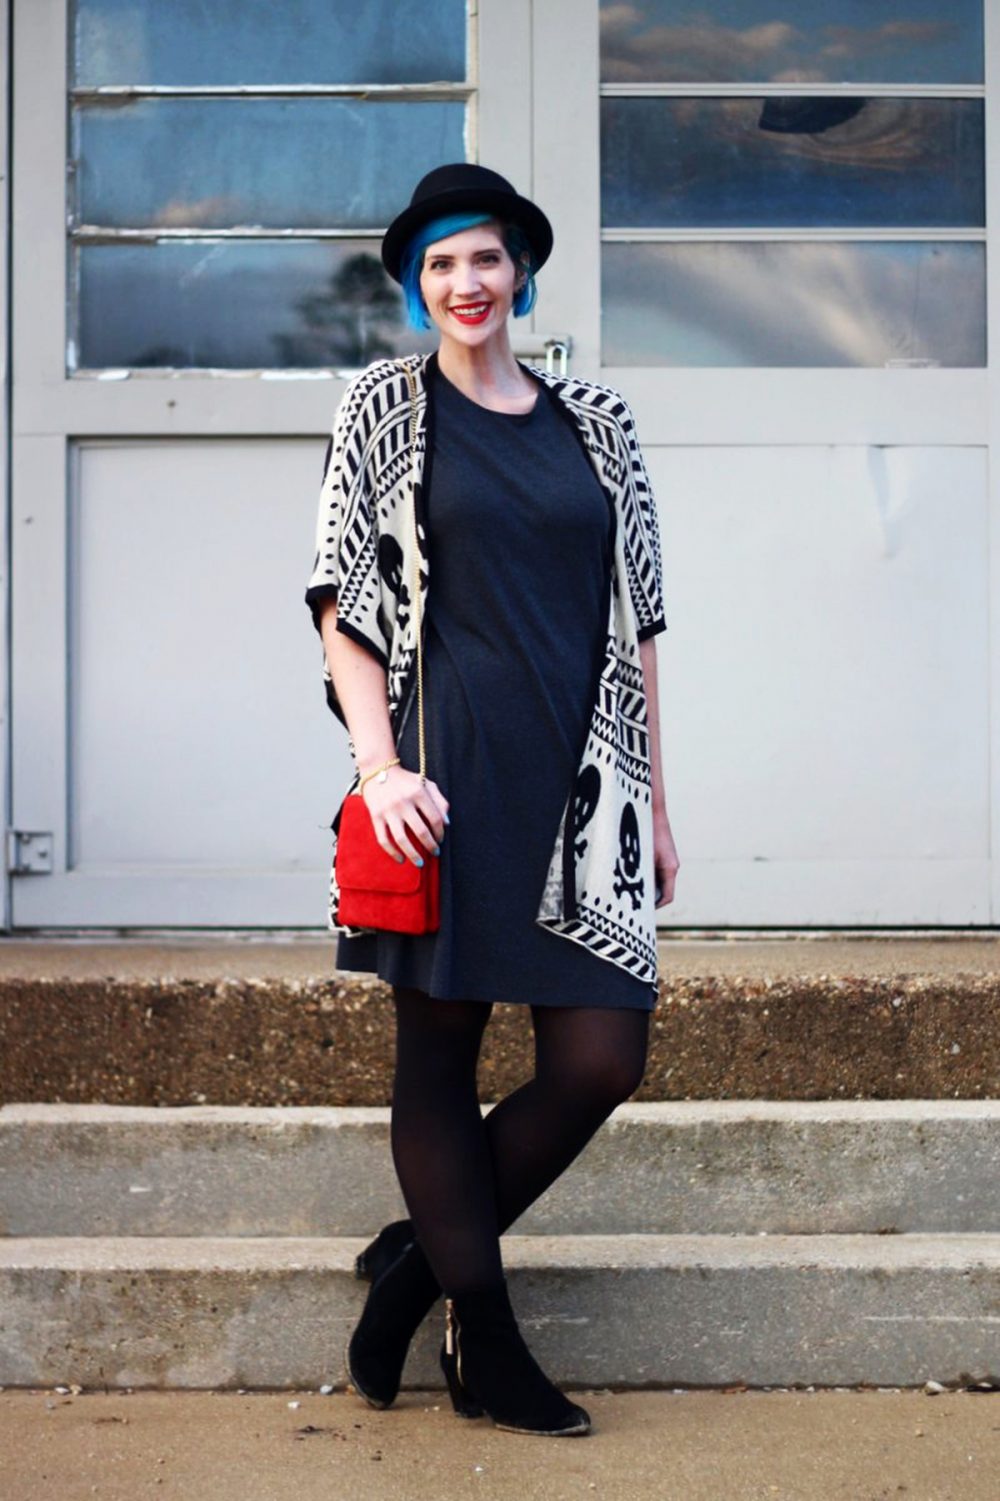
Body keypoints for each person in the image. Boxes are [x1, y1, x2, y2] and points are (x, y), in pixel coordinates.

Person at [304, 163, 679, 1438]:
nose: (466, 283)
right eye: (440, 265)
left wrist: (660, 803)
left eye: (486, 257)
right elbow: (341, 605)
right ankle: (490, 1340)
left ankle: (419, 1267)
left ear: (520, 267)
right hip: (446, 774)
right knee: (441, 1053)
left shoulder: (598, 419)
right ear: (417, 288)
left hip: (586, 782)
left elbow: (637, 625)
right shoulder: (382, 409)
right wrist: (380, 769)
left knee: (600, 1057)